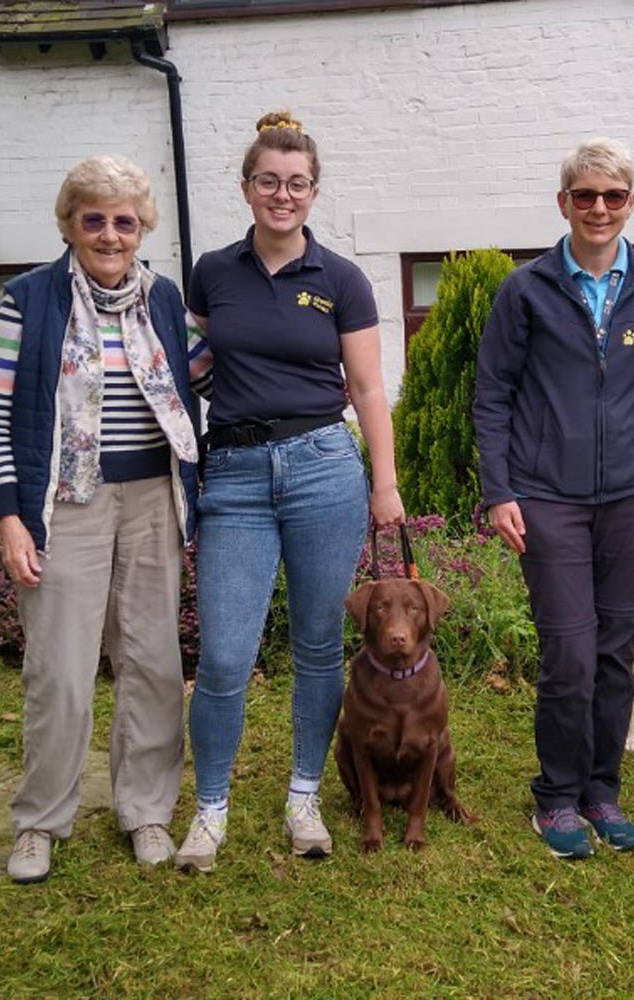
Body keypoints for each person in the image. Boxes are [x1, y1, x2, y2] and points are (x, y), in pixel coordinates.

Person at [175, 110, 404, 871]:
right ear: (246, 188)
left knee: (315, 649)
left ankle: (303, 797)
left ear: (313, 192)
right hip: (235, 475)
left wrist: (385, 483)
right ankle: (210, 811)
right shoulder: (211, 271)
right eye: (269, 181)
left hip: (322, 469)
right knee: (225, 657)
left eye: (297, 183)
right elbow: (190, 369)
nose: (283, 194)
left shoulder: (341, 279)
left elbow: (368, 390)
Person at [0, 155, 204, 883]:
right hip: (63, 505)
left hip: (152, 505)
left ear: (142, 230)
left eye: (124, 221)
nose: (109, 234)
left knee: (155, 667)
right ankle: (40, 821)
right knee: (61, 672)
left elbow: (213, 373)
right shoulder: (28, 299)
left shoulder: (164, 301)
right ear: (70, 223)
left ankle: (145, 811)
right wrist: (10, 517)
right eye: (94, 218)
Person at [474, 137, 634, 860]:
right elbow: (493, 396)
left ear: (631, 203)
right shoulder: (527, 289)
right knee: (568, 650)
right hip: (547, 498)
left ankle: (603, 791)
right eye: (585, 195)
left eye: (614, 196)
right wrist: (500, 489)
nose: (599, 208)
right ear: (563, 202)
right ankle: (557, 798)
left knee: (613, 652)